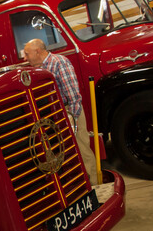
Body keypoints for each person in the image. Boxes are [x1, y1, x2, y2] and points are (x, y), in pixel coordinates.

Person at [23, 39, 98, 184]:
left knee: (82, 150)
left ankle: (94, 186)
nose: (25, 58)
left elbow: (73, 95)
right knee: (64, 153)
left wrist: (72, 119)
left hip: (69, 111)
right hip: (54, 115)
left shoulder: (59, 63)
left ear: (38, 51)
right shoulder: (38, 69)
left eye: (27, 54)